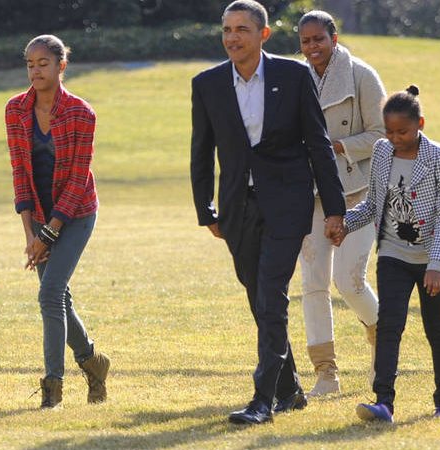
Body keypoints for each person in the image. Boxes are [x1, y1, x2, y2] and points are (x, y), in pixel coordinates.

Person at [190, 0, 346, 425]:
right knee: (257, 297)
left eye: (241, 29)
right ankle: (290, 388)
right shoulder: (206, 84)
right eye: (226, 30)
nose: (231, 38)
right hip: (236, 208)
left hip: (286, 204)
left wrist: (334, 209)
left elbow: (317, 144)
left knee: (271, 294)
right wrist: (206, 209)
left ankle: (263, 399)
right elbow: (201, 152)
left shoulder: (293, 76)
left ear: (263, 34)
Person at [333, 86, 440, 422]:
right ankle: (384, 403)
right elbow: (375, 204)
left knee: (437, 328)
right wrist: (346, 223)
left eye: (402, 131)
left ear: (420, 123)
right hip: (393, 252)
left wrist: (437, 264)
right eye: (389, 131)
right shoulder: (381, 152)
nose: (394, 138)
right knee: (389, 325)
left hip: (434, 255)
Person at [5, 35, 110, 409]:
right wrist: (31, 233)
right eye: (30, 64)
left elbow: (79, 177)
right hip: (38, 216)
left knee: (49, 294)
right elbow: (19, 172)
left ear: (61, 66)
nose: (35, 70)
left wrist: (49, 233)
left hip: (77, 213)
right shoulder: (15, 110)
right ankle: (95, 364)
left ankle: (53, 389)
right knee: (58, 297)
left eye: (43, 63)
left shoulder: (82, 112)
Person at [296, 10, 386, 396]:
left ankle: (383, 340)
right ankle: (325, 373)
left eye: (319, 39)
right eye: (305, 41)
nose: (313, 47)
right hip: (309, 193)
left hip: (359, 192)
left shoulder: (361, 74)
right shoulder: (295, 78)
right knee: (313, 284)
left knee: (349, 280)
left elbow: (383, 134)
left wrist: (337, 146)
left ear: (334, 37)